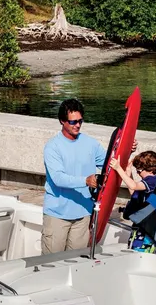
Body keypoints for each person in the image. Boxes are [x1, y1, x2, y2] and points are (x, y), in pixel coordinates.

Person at [41, 99, 107, 254]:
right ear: (62, 121)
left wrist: (127, 150)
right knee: (50, 264)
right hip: (57, 215)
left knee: (76, 263)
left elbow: (110, 164)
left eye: (80, 121)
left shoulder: (91, 144)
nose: (77, 125)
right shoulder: (52, 147)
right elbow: (58, 178)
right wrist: (85, 180)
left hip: (83, 214)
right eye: (73, 122)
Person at [110, 151, 156, 254]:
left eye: (139, 170)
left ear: (151, 169)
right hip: (144, 228)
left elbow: (133, 186)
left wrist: (118, 168)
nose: (138, 173)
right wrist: (128, 172)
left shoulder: (152, 181)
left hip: (148, 234)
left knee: (138, 255)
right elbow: (134, 194)